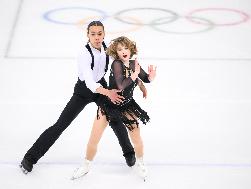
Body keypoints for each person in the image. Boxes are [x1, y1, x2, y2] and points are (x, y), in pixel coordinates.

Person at [19, 21, 143, 174]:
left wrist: (139, 80)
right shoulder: (83, 53)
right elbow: (90, 82)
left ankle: (129, 154)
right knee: (60, 125)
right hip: (83, 91)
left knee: (115, 115)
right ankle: (29, 158)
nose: (97, 37)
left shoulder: (107, 49)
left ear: (104, 34)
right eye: (93, 34)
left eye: (100, 34)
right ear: (87, 35)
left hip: (102, 87)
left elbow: (123, 61)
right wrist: (108, 92)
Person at [72, 36, 156, 181]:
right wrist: (135, 76)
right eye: (119, 49)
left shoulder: (134, 63)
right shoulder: (116, 64)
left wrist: (150, 78)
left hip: (127, 106)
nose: (123, 51)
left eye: (125, 48)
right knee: (94, 138)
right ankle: (86, 165)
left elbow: (145, 78)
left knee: (136, 137)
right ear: (116, 53)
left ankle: (140, 163)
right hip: (109, 105)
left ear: (130, 49)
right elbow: (121, 84)